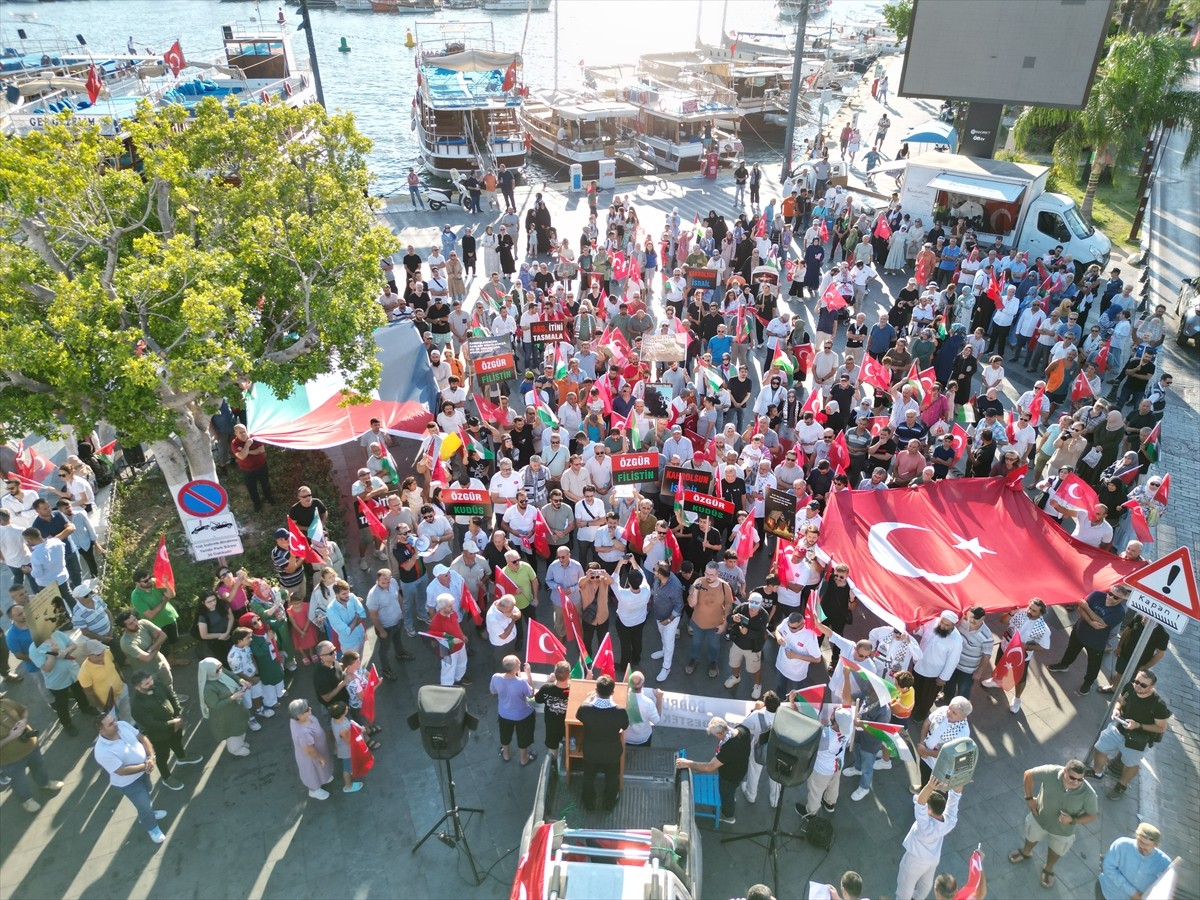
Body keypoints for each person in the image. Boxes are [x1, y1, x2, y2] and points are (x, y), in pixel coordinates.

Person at [1009, 759, 1098, 889]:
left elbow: (1092, 815)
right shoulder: (1051, 772)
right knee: (1031, 837)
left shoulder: (1089, 793)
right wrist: (1029, 799)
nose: (1076, 782)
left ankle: (1048, 868)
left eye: (1080, 779)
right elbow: (1028, 775)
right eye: (1072, 777)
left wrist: (1072, 820)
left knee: (1056, 850)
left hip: (1063, 831)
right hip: (1039, 818)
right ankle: (1026, 852)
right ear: (1065, 771)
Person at [1088, 668, 1171, 801]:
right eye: (1136, 681)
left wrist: (1138, 725)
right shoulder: (1129, 687)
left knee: (1131, 764)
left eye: (1143, 685)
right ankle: (1097, 772)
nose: (1138, 686)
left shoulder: (1158, 705)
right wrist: (1116, 710)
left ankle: (1122, 785)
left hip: (1136, 739)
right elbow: (1120, 701)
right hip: (1118, 728)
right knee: (1100, 748)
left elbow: (1161, 728)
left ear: (1151, 687)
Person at [93, 713, 170, 843]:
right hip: (129, 783)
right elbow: (121, 771)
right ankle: (152, 827)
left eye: (114, 720)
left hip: (144, 772)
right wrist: (146, 765)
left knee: (147, 793)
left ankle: (147, 814)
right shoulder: (101, 751)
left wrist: (151, 757)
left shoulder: (122, 725)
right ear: (101, 730)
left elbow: (141, 738)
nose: (116, 724)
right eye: (111, 724)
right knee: (143, 804)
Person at [1047, 584, 1129, 694]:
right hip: (1079, 631)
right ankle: (1064, 665)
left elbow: (1101, 622)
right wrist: (1090, 621)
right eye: (1110, 594)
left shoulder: (1119, 612)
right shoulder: (1096, 595)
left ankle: (1088, 683)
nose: (1110, 598)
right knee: (1071, 650)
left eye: (1116, 597)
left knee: (1093, 665)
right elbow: (1080, 608)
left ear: (1122, 599)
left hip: (1096, 642)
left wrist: (1087, 607)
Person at [129, 670, 202, 791]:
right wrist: (173, 723)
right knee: (163, 756)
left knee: (177, 742)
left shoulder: (157, 684)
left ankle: (182, 757)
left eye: (150, 680)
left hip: (175, 724)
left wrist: (178, 714)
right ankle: (166, 777)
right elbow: (151, 724)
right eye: (146, 683)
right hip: (158, 735)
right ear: (137, 687)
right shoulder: (137, 705)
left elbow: (172, 696)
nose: (151, 684)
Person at [894, 776, 963, 900]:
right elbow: (955, 796)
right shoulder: (949, 821)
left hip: (915, 861)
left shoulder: (925, 827)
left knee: (905, 888)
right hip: (933, 859)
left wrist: (930, 786)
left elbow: (920, 803)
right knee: (926, 884)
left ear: (930, 810)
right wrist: (960, 779)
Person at [675, 715, 752, 825]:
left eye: (715, 735)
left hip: (729, 777)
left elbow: (710, 767)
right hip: (741, 769)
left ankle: (728, 816)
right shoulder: (742, 729)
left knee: (727, 795)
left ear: (720, 734)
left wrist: (688, 763)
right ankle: (731, 798)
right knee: (732, 790)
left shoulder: (729, 748)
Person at [28, 627, 97, 735]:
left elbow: (73, 645)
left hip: (73, 673)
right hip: (57, 682)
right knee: (62, 705)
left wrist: (66, 651)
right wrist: (52, 654)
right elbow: (47, 668)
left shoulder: (57, 634)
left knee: (80, 693)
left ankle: (85, 707)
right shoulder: (33, 648)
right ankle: (67, 724)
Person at [0, 697, 64, 812]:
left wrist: (24, 720)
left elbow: (23, 710)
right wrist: (11, 737)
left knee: (39, 766)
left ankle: (44, 783)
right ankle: (26, 800)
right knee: (18, 781)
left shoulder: (5, 702)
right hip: (10, 760)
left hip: (31, 746)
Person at [577, 675, 630, 811]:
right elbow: (625, 726)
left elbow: (578, 715)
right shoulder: (620, 712)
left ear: (596, 690)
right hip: (612, 751)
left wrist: (588, 700)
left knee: (588, 775)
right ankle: (609, 803)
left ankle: (589, 802)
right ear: (612, 692)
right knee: (612, 776)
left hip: (591, 750)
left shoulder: (585, 709)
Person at [129, 570, 188, 668]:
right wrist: (164, 601)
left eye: (149, 578)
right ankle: (164, 666)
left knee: (172, 641)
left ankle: (171, 660)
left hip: (169, 617)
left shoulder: (155, 582)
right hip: (156, 625)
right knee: (162, 646)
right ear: (137, 583)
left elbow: (172, 595)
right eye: (145, 581)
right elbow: (150, 615)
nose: (149, 581)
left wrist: (166, 584)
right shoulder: (136, 596)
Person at [911, 611, 964, 721]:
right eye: (942, 622)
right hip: (919, 664)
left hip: (934, 674)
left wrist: (943, 678)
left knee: (928, 696)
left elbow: (953, 661)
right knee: (915, 689)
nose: (943, 626)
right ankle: (912, 706)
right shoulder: (932, 622)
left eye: (947, 625)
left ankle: (921, 714)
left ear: (953, 625)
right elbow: (924, 632)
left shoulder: (956, 640)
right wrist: (918, 630)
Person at [1098, 823, 1171, 900]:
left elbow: (1163, 887)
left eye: (1147, 844)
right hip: (1107, 893)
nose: (1142, 846)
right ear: (1136, 835)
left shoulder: (1164, 863)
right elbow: (1108, 867)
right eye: (1140, 841)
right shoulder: (1121, 845)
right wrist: (1132, 892)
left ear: (1155, 845)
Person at [197, 657, 251, 757]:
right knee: (233, 734)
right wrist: (232, 698)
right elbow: (215, 705)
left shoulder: (218, 672)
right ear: (209, 671)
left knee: (240, 728)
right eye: (217, 669)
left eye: (221, 667)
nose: (220, 670)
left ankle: (241, 744)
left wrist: (241, 680)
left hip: (235, 709)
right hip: (225, 716)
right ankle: (236, 750)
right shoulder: (208, 688)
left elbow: (232, 675)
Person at [490, 655, 537, 766]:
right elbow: (531, 694)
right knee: (523, 737)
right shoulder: (521, 683)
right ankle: (524, 759)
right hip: (523, 716)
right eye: (519, 664)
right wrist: (529, 674)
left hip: (504, 714)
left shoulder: (495, 677)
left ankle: (506, 755)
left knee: (505, 735)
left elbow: (493, 691)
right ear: (515, 668)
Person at [916, 698, 972, 787]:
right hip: (924, 752)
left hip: (938, 765)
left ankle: (926, 798)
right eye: (950, 708)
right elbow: (927, 723)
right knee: (923, 775)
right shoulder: (943, 710)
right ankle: (921, 790)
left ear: (963, 717)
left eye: (954, 713)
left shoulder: (963, 732)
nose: (949, 712)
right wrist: (922, 743)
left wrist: (925, 752)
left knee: (933, 784)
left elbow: (949, 754)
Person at [288, 698, 335, 800]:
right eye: (307, 709)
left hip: (318, 750)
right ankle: (314, 790)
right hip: (311, 756)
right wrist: (320, 757)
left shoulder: (302, 718)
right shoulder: (303, 732)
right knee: (312, 771)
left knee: (321, 768)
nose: (310, 708)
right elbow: (309, 750)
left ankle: (324, 778)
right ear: (299, 716)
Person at [725, 590, 769, 699]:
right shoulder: (741, 607)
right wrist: (733, 618)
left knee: (755, 668)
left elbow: (760, 634)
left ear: (761, 604)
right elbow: (729, 618)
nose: (753, 609)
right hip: (737, 644)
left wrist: (748, 632)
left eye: (756, 606)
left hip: (753, 648)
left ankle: (757, 685)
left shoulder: (764, 616)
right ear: (748, 602)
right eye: (751, 605)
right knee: (734, 663)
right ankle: (736, 677)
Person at [78, 639, 132, 723]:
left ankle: (132, 728)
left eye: (102, 651)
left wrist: (122, 679)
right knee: (113, 723)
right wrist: (101, 707)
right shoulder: (84, 672)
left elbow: (115, 664)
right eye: (98, 655)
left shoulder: (106, 652)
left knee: (127, 713)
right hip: (107, 703)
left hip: (122, 690)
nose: (102, 655)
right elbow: (89, 693)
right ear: (89, 655)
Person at [427, 593, 469, 687]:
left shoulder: (452, 613)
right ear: (442, 608)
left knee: (462, 662)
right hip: (447, 650)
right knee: (448, 669)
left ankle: (458, 678)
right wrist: (452, 641)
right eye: (450, 606)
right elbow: (436, 638)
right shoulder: (436, 622)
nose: (452, 607)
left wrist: (462, 635)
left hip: (460, 645)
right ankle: (447, 687)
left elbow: (457, 625)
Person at [231, 423, 273, 511]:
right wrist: (247, 445)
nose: (243, 434)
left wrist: (246, 451)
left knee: (265, 484)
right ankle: (257, 504)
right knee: (252, 489)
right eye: (240, 433)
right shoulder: (234, 443)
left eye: (244, 432)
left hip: (261, 466)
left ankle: (269, 498)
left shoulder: (254, 437)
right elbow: (242, 456)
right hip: (247, 470)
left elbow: (261, 450)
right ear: (236, 434)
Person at [534, 660, 572, 754]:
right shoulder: (573, 690)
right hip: (567, 724)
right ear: (569, 676)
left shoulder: (546, 688)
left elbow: (538, 699)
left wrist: (548, 681)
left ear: (554, 674)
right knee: (570, 741)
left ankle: (554, 762)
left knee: (552, 745)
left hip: (551, 724)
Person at [624, 671, 663, 747]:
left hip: (626, 737)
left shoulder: (622, 698)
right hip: (642, 738)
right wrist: (659, 699)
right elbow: (656, 721)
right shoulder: (648, 703)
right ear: (643, 685)